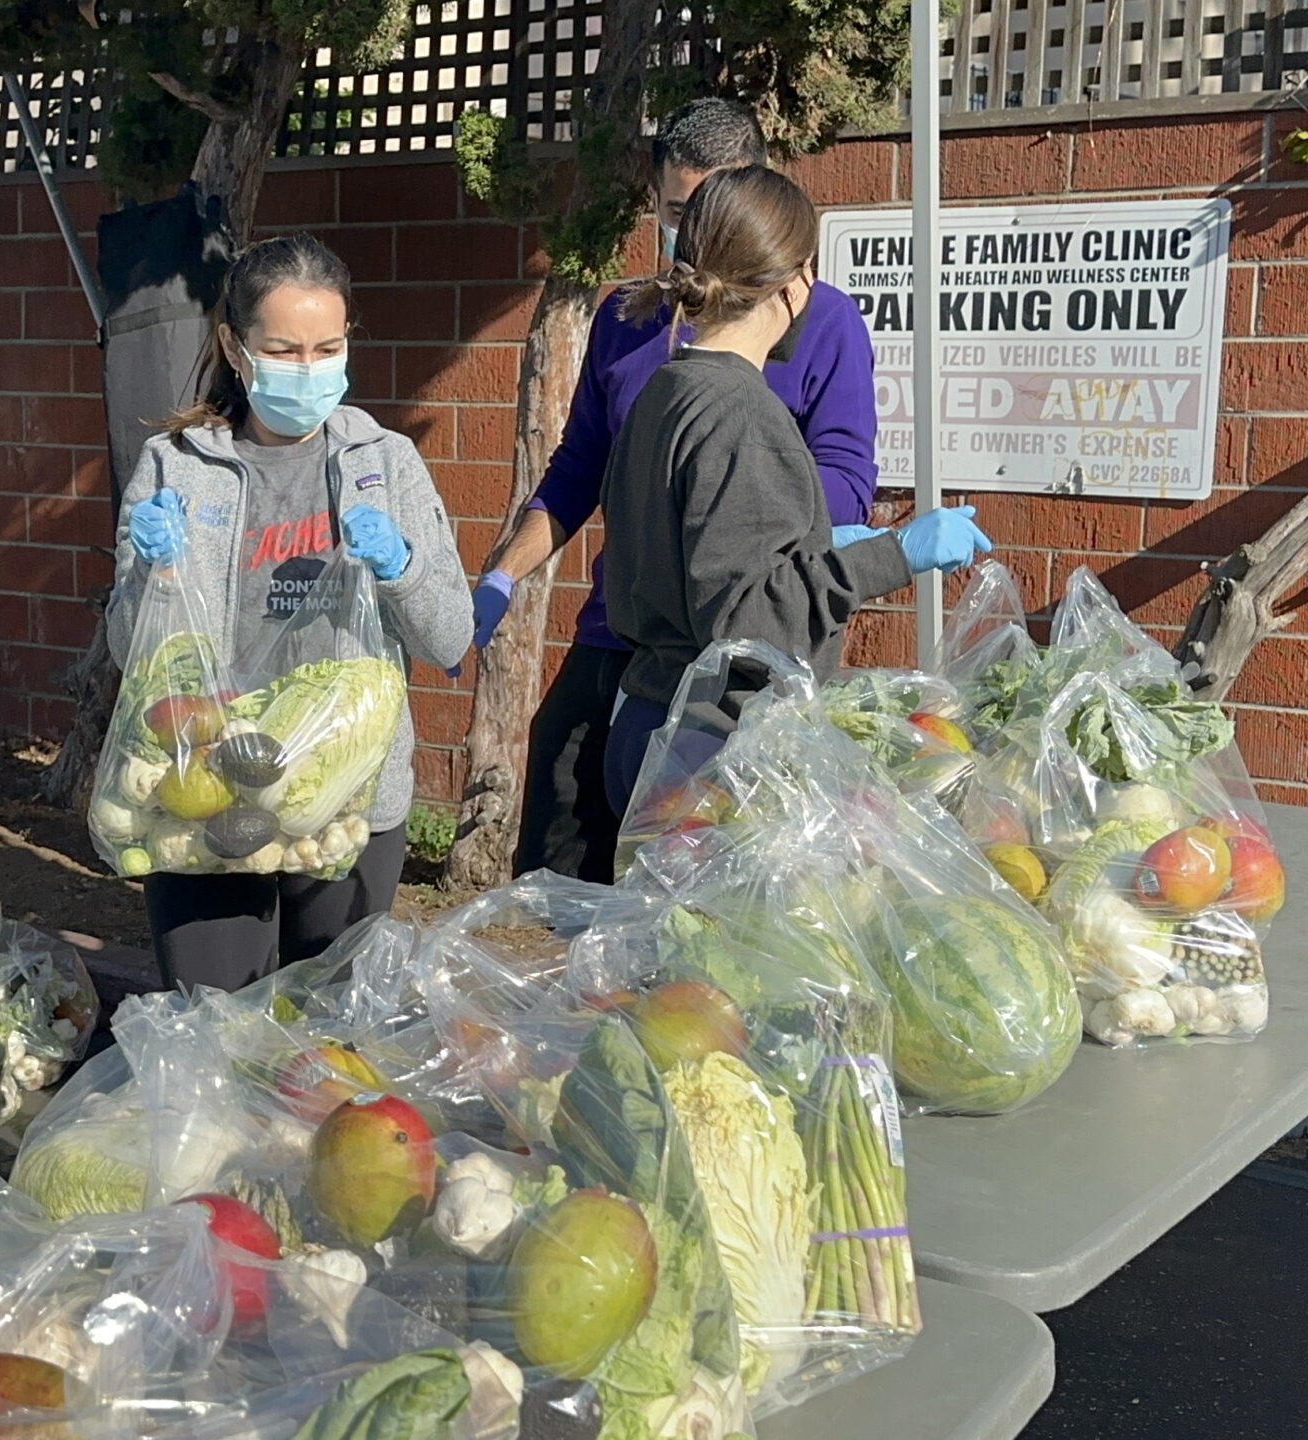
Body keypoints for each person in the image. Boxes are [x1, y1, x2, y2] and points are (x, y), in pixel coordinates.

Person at [466, 97, 879, 884]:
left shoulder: (818, 323)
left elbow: (846, 482)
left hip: (728, 654)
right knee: (560, 870)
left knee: (692, 898)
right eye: (681, 212)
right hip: (623, 633)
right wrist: (501, 575)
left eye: (716, 211)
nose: (697, 238)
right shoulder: (631, 319)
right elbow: (579, 465)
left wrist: (723, 520)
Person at [109, 234, 469, 991]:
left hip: (345, 793)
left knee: (328, 1034)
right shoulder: (175, 468)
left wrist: (402, 568)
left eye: (327, 348)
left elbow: (450, 637)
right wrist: (149, 574)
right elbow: (128, 651)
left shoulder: (385, 464)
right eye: (285, 350)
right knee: (214, 1019)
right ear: (235, 348)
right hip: (204, 789)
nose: (309, 370)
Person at [596, 165, 991, 813]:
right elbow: (750, 626)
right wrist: (890, 556)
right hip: (713, 743)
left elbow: (701, 557)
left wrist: (819, 546)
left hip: (649, 723)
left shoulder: (666, 390)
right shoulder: (742, 414)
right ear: (796, 283)